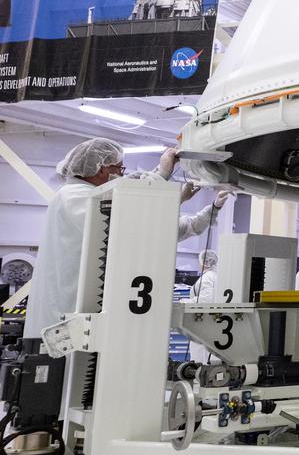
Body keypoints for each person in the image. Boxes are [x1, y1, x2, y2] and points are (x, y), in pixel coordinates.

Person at [25, 140, 228, 342]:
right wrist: (162, 174)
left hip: (81, 319)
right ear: (101, 169)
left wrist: (204, 206)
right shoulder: (75, 197)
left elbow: (169, 227)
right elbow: (126, 217)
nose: (121, 174)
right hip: (65, 318)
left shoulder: (92, 198)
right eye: (119, 168)